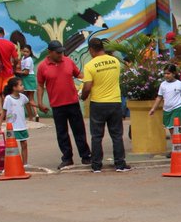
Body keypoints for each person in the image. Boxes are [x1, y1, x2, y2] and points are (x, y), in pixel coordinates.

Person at [35, 40, 91, 169]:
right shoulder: (42, 67)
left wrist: (91, 79)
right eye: (58, 52)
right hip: (57, 105)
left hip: (73, 102)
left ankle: (86, 156)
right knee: (62, 133)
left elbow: (79, 75)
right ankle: (67, 158)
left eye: (62, 52)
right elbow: (40, 85)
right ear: (50, 52)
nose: (61, 54)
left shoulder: (68, 61)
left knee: (79, 131)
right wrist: (40, 102)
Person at [80, 37, 129, 172]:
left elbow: (87, 86)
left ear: (91, 50)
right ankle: (120, 164)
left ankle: (96, 166)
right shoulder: (115, 61)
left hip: (98, 104)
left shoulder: (90, 65)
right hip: (115, 102)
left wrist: (83, 97)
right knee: (117, 135)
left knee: (96, 136)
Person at [0, 76, 35, 165]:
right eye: (21, 85)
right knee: (11, 146)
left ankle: (25, 163)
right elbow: (3, 112)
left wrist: (40, 106)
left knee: (24, 144)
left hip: (22, 126)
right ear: (14, 87)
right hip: (12, 127)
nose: (23, 87)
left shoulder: (23, 97)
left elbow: (30, 103)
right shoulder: (8, 99)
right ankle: (11, 164)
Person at [149, 64, 181, 131]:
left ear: (174, 74)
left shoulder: (179, 84)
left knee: (176, 126)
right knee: (170, 127)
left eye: (168, 73)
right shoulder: (162, 85)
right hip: (167, 109)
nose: (166, 75)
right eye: (165, 73)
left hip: (177, 108)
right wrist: (153, 109)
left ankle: (178, 140)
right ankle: (175, 140)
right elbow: (159, 98)